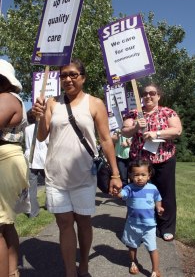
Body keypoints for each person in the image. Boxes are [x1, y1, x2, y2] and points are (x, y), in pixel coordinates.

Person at [32, 58, 122, 277]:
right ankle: (70, 272)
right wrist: (40, 115)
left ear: (83, 77)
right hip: (55, 176)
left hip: (83, 175)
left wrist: (115, 174)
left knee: (83, 222)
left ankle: (84, 263)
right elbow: (43, 137)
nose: (68, 79)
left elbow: (105, 140)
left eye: (73, 74)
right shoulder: (52, 103)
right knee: (64, 224)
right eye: (63, 75)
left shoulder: (94, 103)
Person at [122, 83, 182, 241]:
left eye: (152, 93)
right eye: (145, 93)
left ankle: (166, 227)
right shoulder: (134, 114)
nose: (148, 96)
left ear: (158, 96)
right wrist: (135, 127)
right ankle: (143, 224)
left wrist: (157, 133)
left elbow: (177, 130)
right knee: (139, 194)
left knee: (165, 193)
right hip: (140, 162)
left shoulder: (167, 112)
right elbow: (124, 131)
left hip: (164, 159)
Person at [0, 59, 29, 277]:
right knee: (6, 224)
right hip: (8, 160)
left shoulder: (7, 99)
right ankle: (12, 272)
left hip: (5, 161)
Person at [114, 159, 164, 277]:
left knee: (152, 248)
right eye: (136, 175)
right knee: (132, 246)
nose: (140, 178)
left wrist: (159, 208)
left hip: (149, 226)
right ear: (130, 175)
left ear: (149, 175)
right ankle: (133, 262)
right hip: (132, 224)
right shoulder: (129, 188)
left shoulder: (152, 188)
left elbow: (158, 198)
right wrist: (118, 193)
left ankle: (155, 270)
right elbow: (123, 195)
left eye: (143, 174)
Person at [24, 109, 48, 218]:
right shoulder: (42, 127)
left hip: (31, 158)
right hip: (43, 157)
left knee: (31, 187)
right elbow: (47, 142)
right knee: (50, 183)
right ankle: (50, 204)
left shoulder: (26, 129)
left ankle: (33, 212)